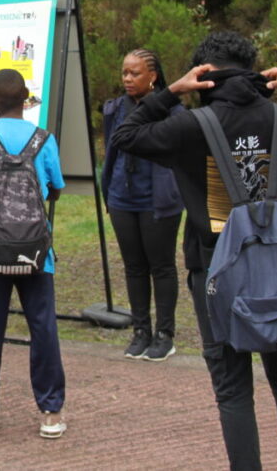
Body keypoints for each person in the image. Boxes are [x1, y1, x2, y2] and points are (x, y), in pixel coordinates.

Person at [112, 31, 277, 470]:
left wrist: (170, 92)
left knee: (232, 386)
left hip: (214, 267)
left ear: (203, 73)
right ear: (253, 68)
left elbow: (126, 136)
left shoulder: (191, 125)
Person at [0, 69, 67, 442]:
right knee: (43, 328)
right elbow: (55, 189)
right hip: (36, 252)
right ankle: (51, 412)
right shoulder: (44, 139)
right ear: (26, 99)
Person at [102, 50, 184, 360]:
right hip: (122, 198)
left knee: (161, 266)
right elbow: (111, 152)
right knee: (134, 266)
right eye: (124, 72)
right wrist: (108, 191)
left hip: (158, 199)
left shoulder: (172, 110)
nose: (127, 78)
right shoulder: (116, 108)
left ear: (153, 76)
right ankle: (141, 331)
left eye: (134, 73)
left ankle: (165, 334)